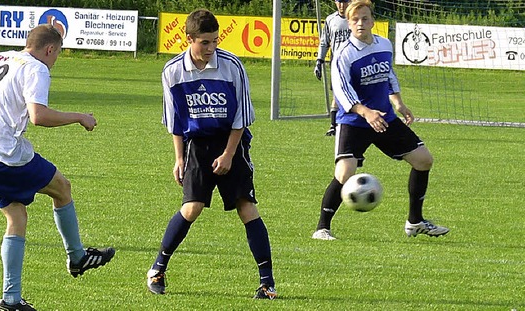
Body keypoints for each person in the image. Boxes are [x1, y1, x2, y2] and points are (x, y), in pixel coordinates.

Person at [0, 25, 115, 311]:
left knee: (16, 217)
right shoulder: (36, 68)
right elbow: (38, 115)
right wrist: (80, 117)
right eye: (58, 54)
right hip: (5, 153)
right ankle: (77, 257)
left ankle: (11, 301)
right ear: (50, 49)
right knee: (62, 188)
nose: (55, 60)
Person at [146, 9, 277, 300]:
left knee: (247, 207)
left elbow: (241, 117)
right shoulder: (172, 71)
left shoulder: (232, 66)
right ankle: (157, 269)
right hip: (197, 146)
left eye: (215, 41)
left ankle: (267, 283)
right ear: (188, 38)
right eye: (204, 42)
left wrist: (230, 154)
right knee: (191, 208)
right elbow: (176, 122)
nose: (211, 48)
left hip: (233, 141)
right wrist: (179, 159)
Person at [311, 0, 449, 241]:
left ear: (373, 21)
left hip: (384, 117)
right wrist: (366, 112)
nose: (360, 23)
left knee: (423, 160)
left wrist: (398, 103)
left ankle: (415, 222)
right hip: (354, 121)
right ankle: (322, 228)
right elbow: (342, 92)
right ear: (349, 23)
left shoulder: (384, 45)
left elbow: (389, 75)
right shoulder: (344, 54)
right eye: (355, 20)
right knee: (345, 173)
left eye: (365, 18)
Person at [314, 0, 352, 136]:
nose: (342, 5)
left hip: (355, 62)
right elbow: (324, 42)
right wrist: (319, 60)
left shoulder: (356, 18)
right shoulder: (331, 20)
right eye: (339, 2)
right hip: (337, 64)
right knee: (337, 93)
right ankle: (333, 125)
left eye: (345, 1)